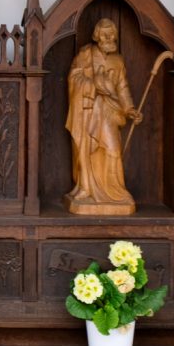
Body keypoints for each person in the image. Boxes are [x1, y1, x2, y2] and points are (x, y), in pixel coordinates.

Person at [65, 18, 141, 213]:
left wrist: (130, 109)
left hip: (110, 112)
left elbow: (122, 87)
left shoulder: (118, 61)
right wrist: (93, 85)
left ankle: (116, 191)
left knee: (112, 149)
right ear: (96, 36)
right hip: (88, 111)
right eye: (104, 34)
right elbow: (74, 78)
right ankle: (86, 187)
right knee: (86, 149)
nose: (109, 38)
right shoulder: (85, 54)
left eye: (112, 34)